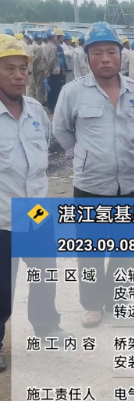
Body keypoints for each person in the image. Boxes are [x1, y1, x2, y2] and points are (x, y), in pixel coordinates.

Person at [53, 22, 134, 329]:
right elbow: (61, 130)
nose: (105, 58)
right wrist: (81, 157)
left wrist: (131, 153)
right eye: (97, 53)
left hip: (128, 185)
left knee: (125, 247)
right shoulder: (72, 93)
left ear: (121, 55)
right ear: (88, 57)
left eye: (111, 51)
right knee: (91, 250)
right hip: (90, 186)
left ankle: (117, 298)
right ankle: (93, 304)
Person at [0, 35, 67, 372]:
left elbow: (50, 152)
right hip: (2, 218)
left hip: (37, 212)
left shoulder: (37, 110)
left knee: (45, 274)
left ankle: (46, 326)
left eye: (23, 69)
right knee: (2, 286)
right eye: (9, 69)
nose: (19, 76)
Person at [42, 28, 62, 112]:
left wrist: (45, 70)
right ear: (53, 37)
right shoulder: (53, 48)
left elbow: (43, 59)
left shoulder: (45, 47)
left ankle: (50, 107)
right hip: (54, 72)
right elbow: (52, 61)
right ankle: (54, 107)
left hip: (48, 72)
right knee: (55, 91)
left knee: (49, 91)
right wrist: (49, 70)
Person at [31, 32, 45, 104]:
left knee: (34, 85)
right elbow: (36, 59)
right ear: (38, 39)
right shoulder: (39, 48)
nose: (42, 41)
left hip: (33, 68)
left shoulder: (31, 46)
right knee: (39, 86)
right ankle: (39, 101)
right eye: (41, 39)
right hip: (39, 68)